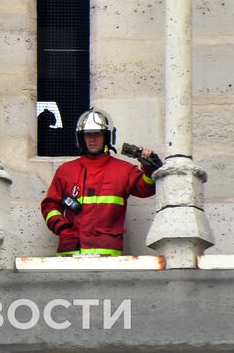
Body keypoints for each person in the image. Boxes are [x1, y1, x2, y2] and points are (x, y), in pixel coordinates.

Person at [40, 108, 161, 257]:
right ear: (81, 138)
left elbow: (147, 188)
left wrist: (150, 165)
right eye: (88, 135)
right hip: (70, 254)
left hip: (107, 256)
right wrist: (62, 227)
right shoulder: (66, 171)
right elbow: (50, 206)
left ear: (106, 136)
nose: (92, 139)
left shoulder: (123, 170)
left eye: (97, 134)